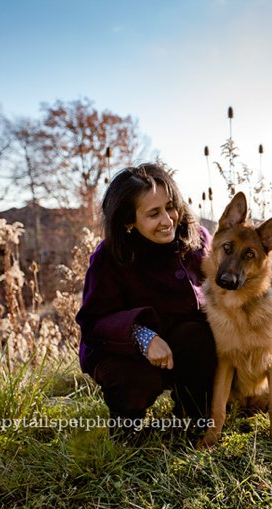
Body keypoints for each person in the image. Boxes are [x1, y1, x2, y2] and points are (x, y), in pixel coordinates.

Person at [75, 162, 216, 436]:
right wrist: (142, 337)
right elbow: (93, 323)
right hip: (124, 350)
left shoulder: (196, 238)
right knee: (136, 382)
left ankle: (194, 415)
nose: (168, 220)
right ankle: (126, 426)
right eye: (153, 214)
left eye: (170, 206)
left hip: (183, 340)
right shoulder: (109, 258)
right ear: (129, 221)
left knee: (199, 336)